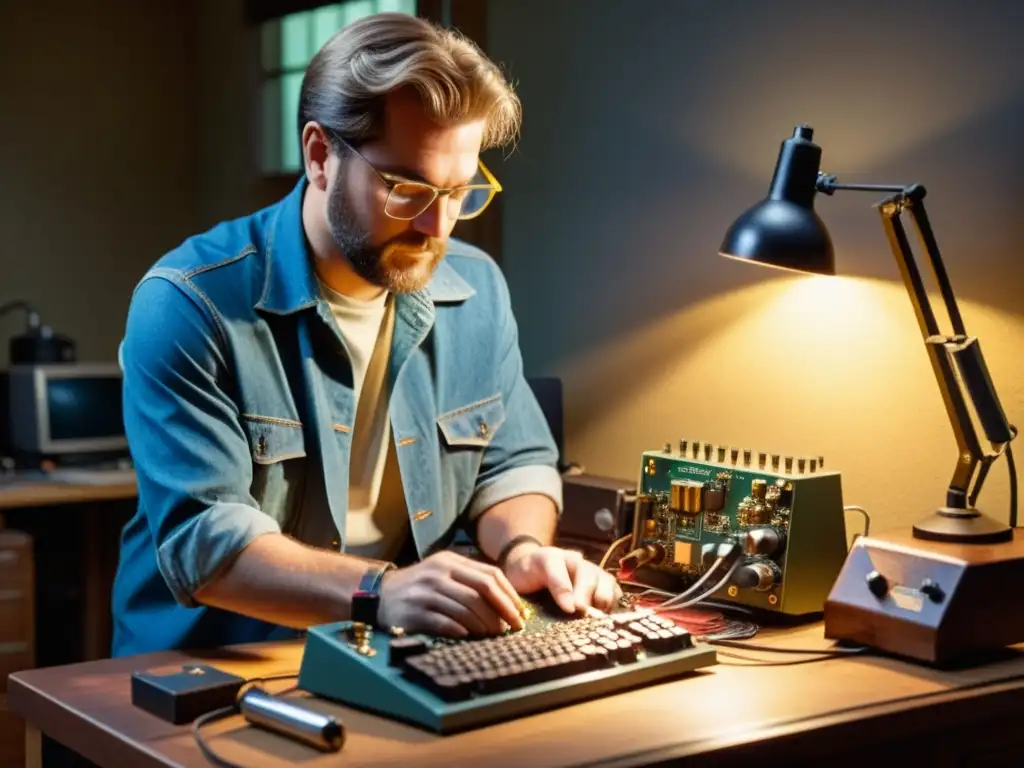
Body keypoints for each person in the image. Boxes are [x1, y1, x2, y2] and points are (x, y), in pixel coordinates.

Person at [109, 12, 620, 657]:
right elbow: (206, 541)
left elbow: (514, 464)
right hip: (211, 668)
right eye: (407, 190)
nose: (438, 227)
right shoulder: (188, 302)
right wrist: (383, 591)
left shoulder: (477, 287)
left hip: (390, 654)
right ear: (320, 155)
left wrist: (522, 550)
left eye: (460, 191)